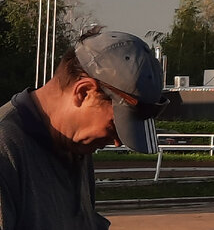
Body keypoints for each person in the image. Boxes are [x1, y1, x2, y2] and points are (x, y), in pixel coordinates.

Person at [0, 28, 168, 229]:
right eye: (114, 127)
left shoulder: (75, 146)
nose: (116, 142)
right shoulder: (6, 152)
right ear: (84, 92)